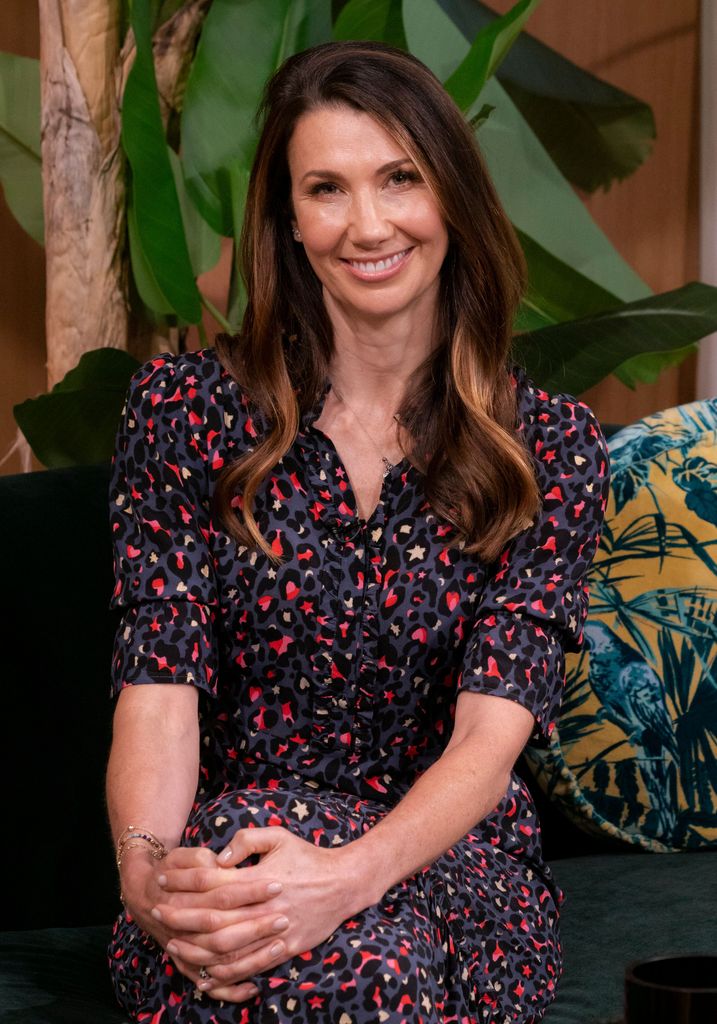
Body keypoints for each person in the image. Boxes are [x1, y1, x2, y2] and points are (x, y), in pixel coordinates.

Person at [106, 40, 610, 1024]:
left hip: (448, 863)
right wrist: (150, 880)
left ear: (452, 199)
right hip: (226, 859)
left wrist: (342, 878)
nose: (367, 223)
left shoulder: (546, 447)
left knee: (343, 961)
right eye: (327, 189)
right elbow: (158, 692)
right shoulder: (184, 414)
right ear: (289, 220)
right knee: (256, 919)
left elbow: (486, 740)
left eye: (399, 179)